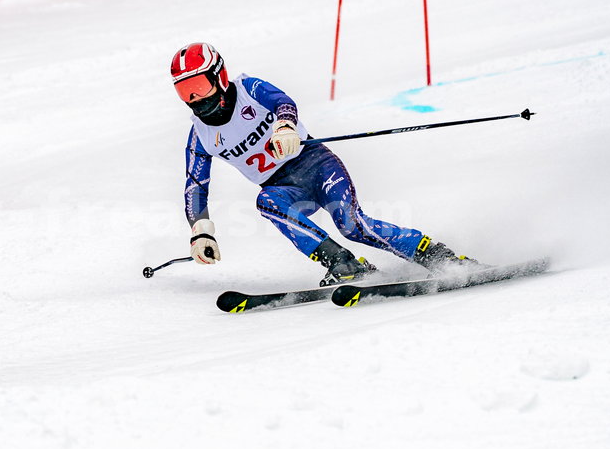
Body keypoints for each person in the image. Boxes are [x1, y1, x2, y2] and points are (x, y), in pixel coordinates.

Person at [171, 41, 475, 286]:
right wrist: (201, 231)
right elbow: (195, 187)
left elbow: (282, 102)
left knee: (352, 225)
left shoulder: (248, 88)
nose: (195, 98)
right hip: (283, 188)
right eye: (184, 91)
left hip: (317, 166)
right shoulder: (201, 135)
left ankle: (435, 255)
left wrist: (286, 125)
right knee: (266, 202)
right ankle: (342, 263)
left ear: (219, 76)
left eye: (198, 84)